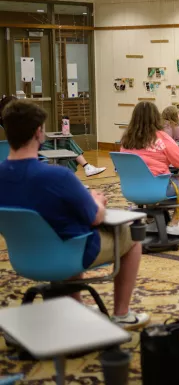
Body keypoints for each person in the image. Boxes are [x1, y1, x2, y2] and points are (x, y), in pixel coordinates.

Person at [0, 100, 148, 329]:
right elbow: (96, 217)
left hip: (24, 257)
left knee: (67, 227)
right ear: (39, 132)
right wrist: (96, 200)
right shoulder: (57, 176)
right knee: (131, 238)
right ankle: (122, 313)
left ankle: (75, 304)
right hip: (69, 252)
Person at [120, 102, 179, 236]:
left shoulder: (126, 140)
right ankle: (174, 224)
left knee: (150, 177)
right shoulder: (161, 138)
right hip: (157, 189)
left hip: (131, 189)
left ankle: (151, 221)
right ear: (156, 118)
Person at [0, 95, 106, 177]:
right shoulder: (18, 123)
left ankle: (84, 168)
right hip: (29, 149)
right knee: (65, 145)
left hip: (12, 155)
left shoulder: (6, 124)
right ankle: (84, 168)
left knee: (65, 146)